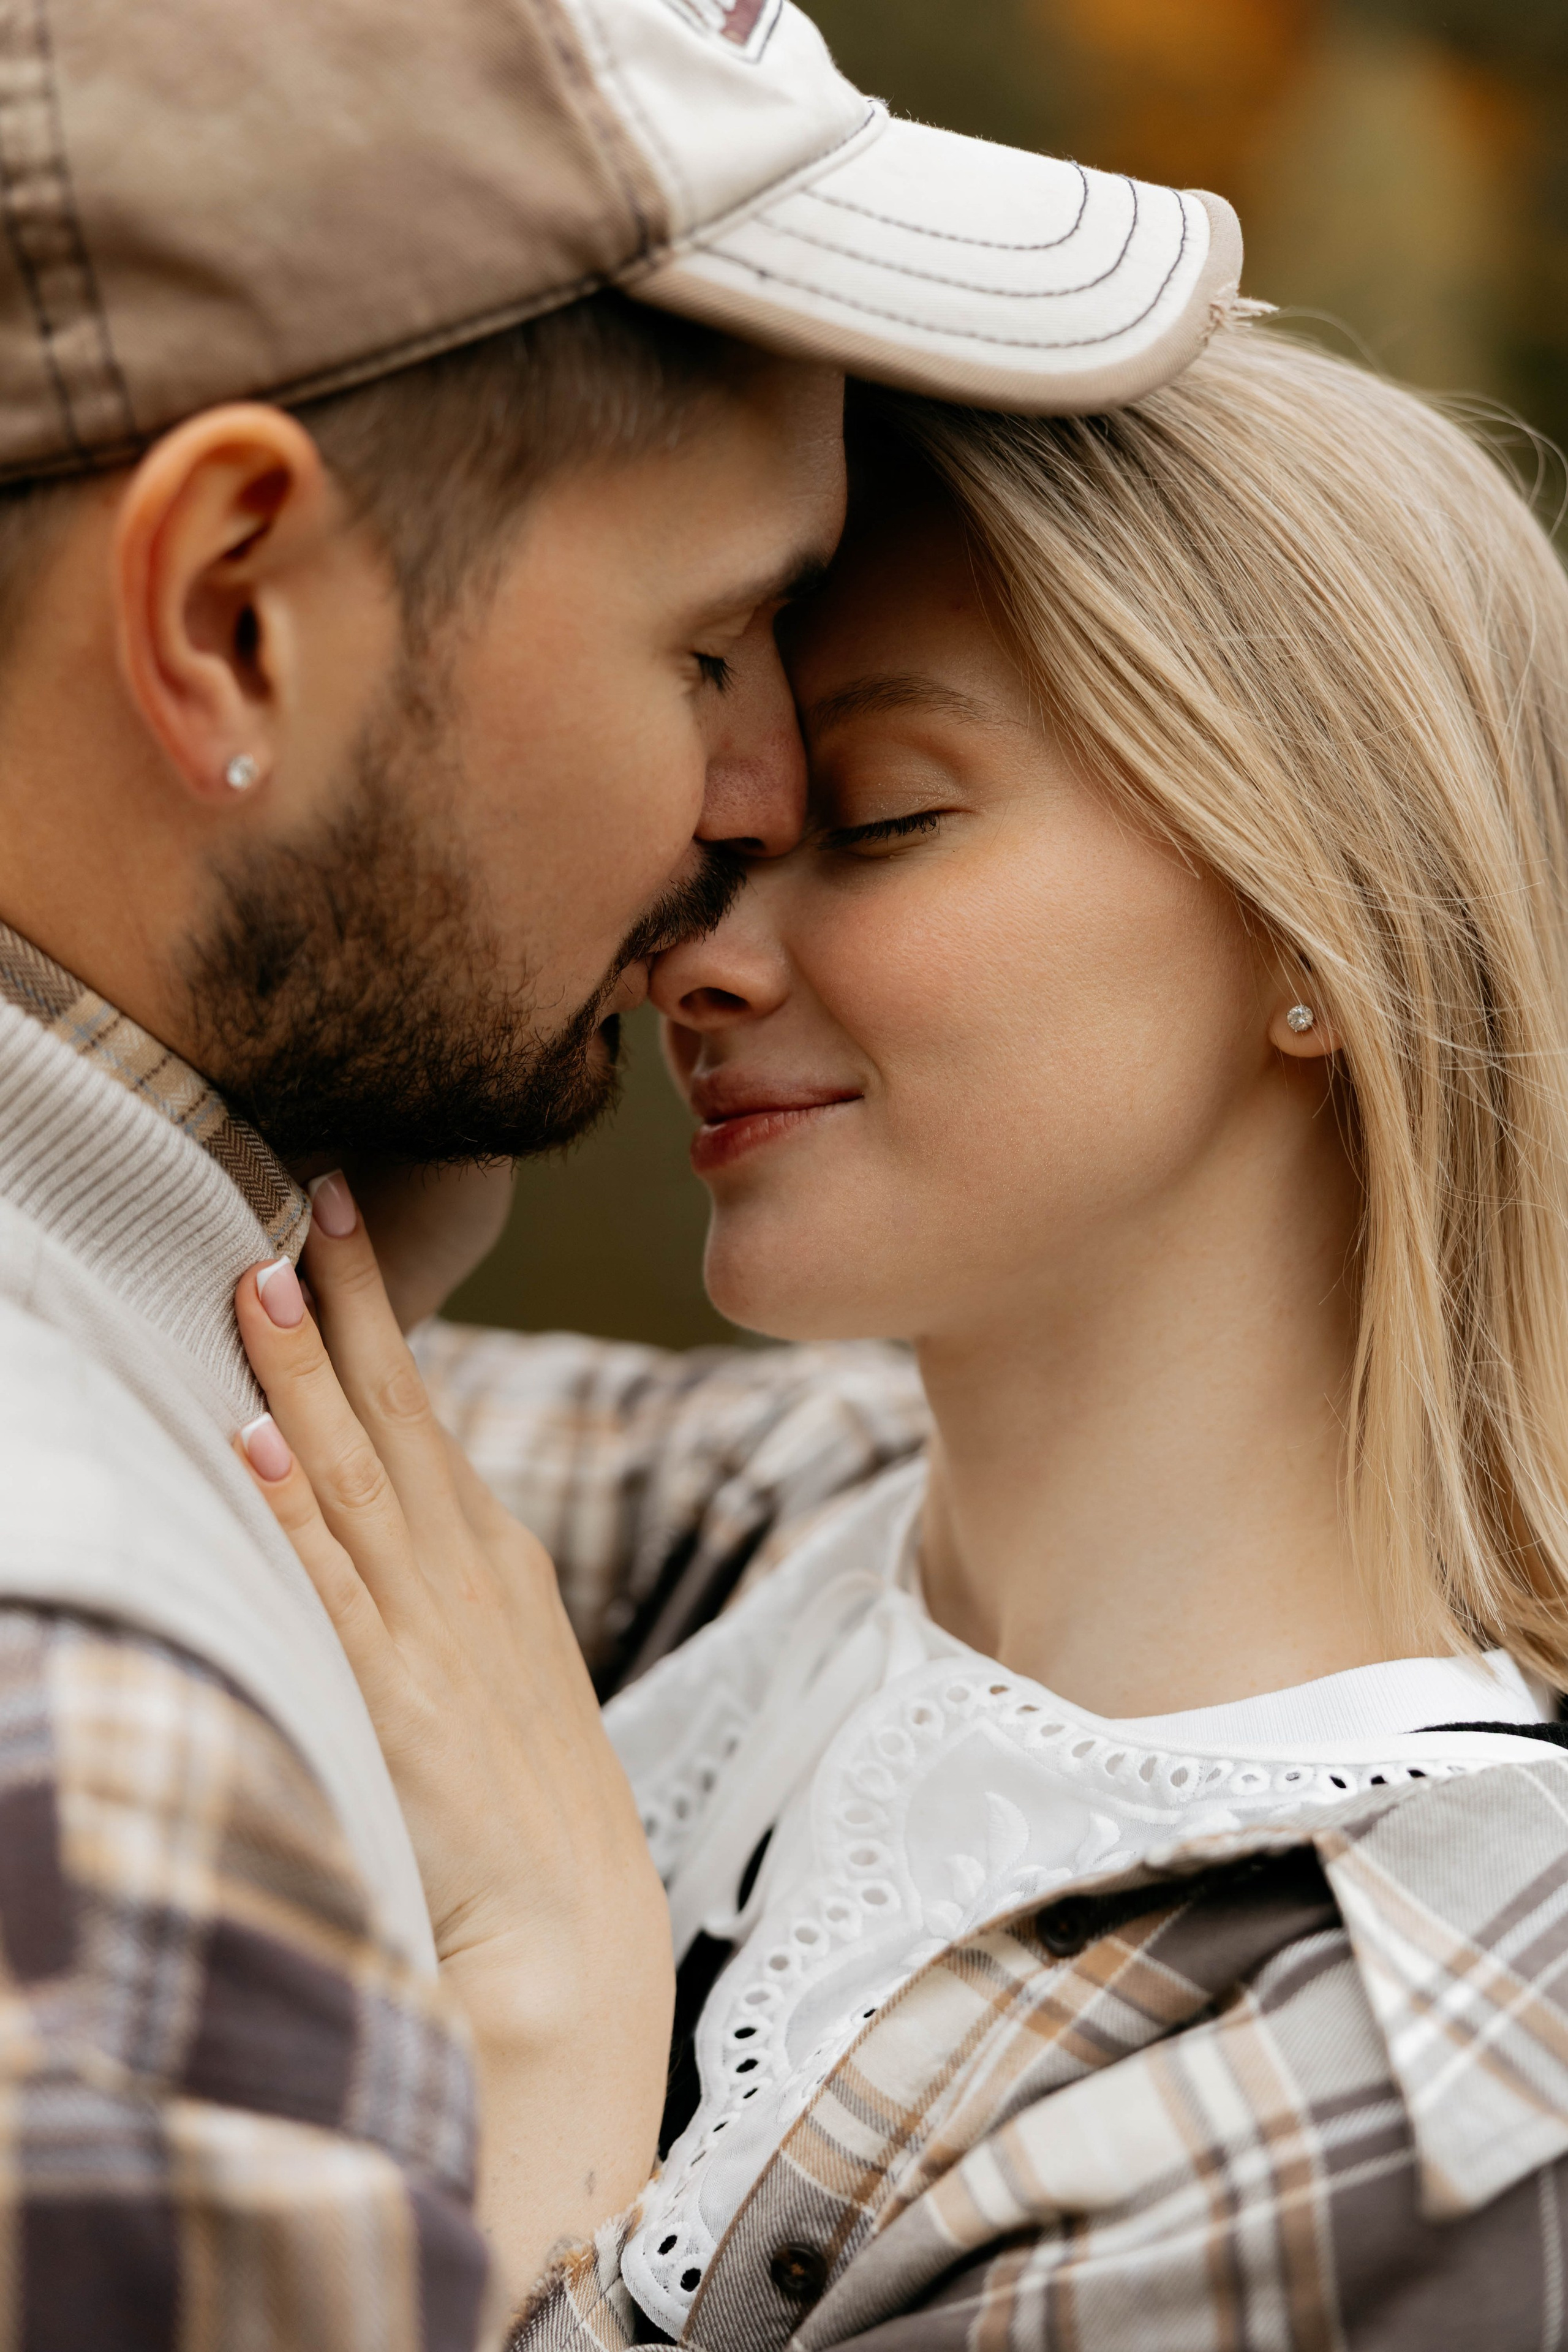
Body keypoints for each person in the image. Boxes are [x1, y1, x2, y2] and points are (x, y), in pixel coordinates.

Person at [0, 0, 1241, 2341]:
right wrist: (554, 2061)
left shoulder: (232, 1323)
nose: (754, 800)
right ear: (230, 619)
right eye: (713, 645)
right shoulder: (90, 1783)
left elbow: (826, 1486)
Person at [241, 320, 1568, 2351]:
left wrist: (554, 2010)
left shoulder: (1414, 2074)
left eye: (874, 818)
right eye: (717, 842)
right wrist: (377, 1110)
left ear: (1321, 922)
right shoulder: (772, 1516)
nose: (694, 958)